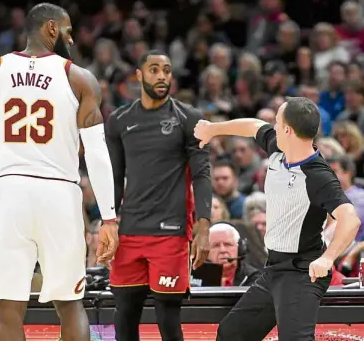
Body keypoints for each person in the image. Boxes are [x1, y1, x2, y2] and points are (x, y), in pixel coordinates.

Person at [0, 3, 117, 341]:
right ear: (52, 29)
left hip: (9, 193)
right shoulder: (79, 78)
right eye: (68, 30)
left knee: (8, 310)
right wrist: (109, 218)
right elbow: (98, 154)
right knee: (70, 303)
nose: (71, 39)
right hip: (59, 193)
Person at [194, 97, 361, 341]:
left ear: (288, 130)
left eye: (277, 121)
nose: (272, 125)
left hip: (303, 272)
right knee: (231, 333)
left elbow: (350, 218)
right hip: (273, 268)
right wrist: (212, 129)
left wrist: (328, 258)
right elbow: (253, 126)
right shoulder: (277, 147)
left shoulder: (318, 176)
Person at [101, 49, 212, 341]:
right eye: (154, 69)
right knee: (124, 311)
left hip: (171, 232)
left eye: (166, 70)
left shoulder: (190, 118)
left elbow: (201, 174)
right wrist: (108, 222)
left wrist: (204, 225)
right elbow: (113, 178)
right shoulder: (118, 120)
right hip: (130, 231)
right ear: (139, 75)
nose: (162, 76)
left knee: (167, 314)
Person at [208, 222, 261, 286]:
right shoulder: (195, 279)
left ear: (240, 249)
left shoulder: (256, 280)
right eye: (216, 245)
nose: (222, 250)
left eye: (228, 244)